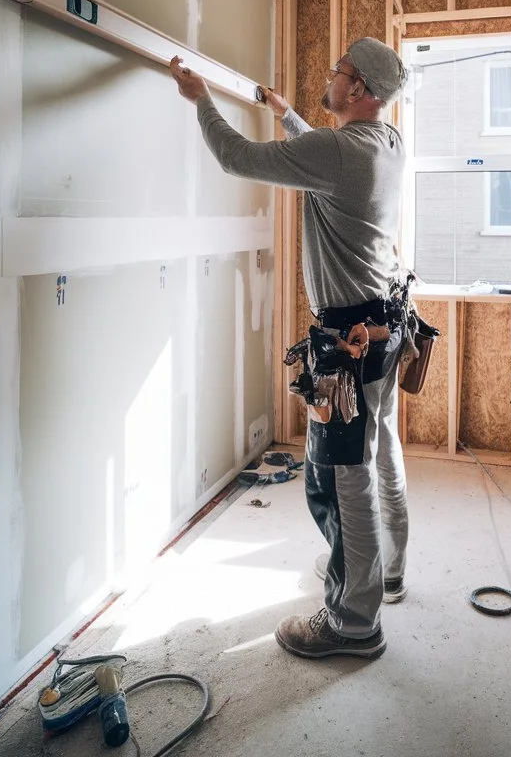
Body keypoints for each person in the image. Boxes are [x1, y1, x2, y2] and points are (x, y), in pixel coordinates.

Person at [169, 37, 409, 660]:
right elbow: (324, 157)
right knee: (378, 452)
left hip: (350, 342)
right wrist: (288, 115)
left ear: (359, 91)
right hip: (388, 326)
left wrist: (199, 100)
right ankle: (386, 573)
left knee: (343, 474)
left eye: (339, 71)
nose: (328, 77)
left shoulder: (335, 151)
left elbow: (235, 157)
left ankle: (356, 620)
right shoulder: (386, 143)